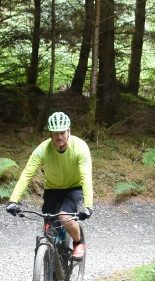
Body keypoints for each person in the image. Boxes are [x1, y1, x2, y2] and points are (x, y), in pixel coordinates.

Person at [7, 110, 93, 258]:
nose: (59, 137)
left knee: (64, 217)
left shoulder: (80, 147)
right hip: (52, 189)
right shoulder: (43, 149)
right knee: (49, 229)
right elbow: (27, 173)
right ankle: (52, 271)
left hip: (74, 187)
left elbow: (86, 177)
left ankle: (78, 242)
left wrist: (88, 206)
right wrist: (13, 201)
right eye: (55, 133)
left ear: (68, 132)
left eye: (62, 132)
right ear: (50, 134)